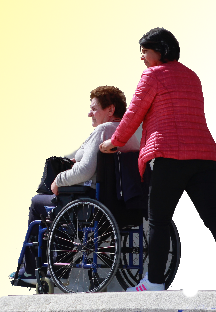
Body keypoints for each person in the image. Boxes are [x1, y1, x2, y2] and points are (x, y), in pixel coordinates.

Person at [99, 28, 216, 291]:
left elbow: (133, 114)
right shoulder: (192, 77)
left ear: (161, 50)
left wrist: (113, 142)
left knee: (158, 219)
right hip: (204, 157)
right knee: (214, 214)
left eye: (145, 51)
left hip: (169, 155)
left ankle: (154, 281)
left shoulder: (153, 75)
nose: (142, 57)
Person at [10, 86, 140, 284]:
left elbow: (86, 170)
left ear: (111, 110)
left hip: (93, 204)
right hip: (123, 203)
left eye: (94, 108)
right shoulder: (131, 134)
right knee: (63, 204)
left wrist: (58, 180)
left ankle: (30, 271)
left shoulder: (103, 130)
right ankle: (57, 266)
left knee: (39, 203)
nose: (90, 113)